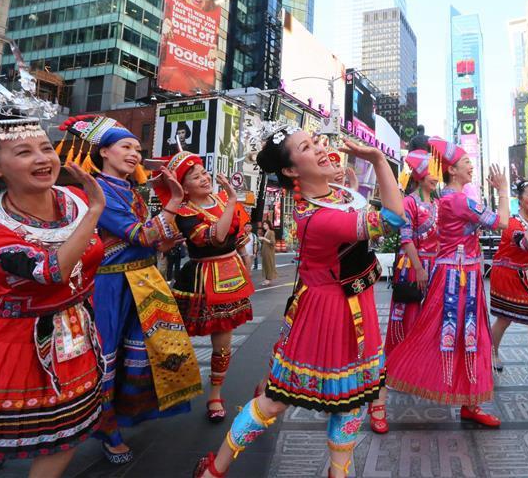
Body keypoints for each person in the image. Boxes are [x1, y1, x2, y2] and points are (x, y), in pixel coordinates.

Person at [192, 125, 405, 478]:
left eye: (316, 141)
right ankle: (214, 470)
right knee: (276, 400)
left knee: (351, 402)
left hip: (353, 306)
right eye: (307, 147)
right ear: (291, 170)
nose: (320, 148)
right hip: (329, 315)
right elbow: (394, 219)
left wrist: (349, 183)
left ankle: (337, 473)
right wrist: (379, 160)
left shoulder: (331, 199)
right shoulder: (320, 218)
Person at [57, 115, 202, 464]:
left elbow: (148, 240)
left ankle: (122, 415)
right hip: (111, 285)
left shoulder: (132, 192)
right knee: (106, 357)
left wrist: (163, 243)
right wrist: (174, 201)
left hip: (142, 281)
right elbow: (141, 234)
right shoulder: (98, 190)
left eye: (137, 148)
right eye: (126, 146)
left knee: (141, 353)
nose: (135, 154)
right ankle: (107, 430)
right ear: (104, 151)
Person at [0, 113, 106, 478]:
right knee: (16, 420)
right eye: (24, 152)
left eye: (46, 148)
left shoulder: (75, 199)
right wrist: (96, 211)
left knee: (68, 427)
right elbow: (51, 273)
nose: (43, 158)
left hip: (75, 326)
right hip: (16, 338)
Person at [387, 137, 510, 427]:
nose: (471, 166)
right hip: (458, 278)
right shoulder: (458, 200)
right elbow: (502, 222)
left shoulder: (446, 199)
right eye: (466, 162)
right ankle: (389, 374)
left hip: (459, 273)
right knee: (454, 335)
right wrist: (504, 190)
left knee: (466, 336)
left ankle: (470, 401)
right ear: (452, 170)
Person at [157, 151, 254, 424]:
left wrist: (244, 258)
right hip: (198, 280)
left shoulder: (221, 199)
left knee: (223, 342)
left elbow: (238, 235)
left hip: (230, 275)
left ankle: (215, 394)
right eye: (195, 177)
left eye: (203, 173)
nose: (204, 178)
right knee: (177, 340)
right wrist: (232, 201)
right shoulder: (185, 212)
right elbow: (217, 236)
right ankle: (169, 387)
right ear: (183, 187)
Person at [368, 149, 440, 433]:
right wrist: (419, 267)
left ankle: (419, 369)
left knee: (428, 320)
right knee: (406, 320)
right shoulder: (409, 202)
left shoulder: (438, 203)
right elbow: (406, 238)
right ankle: (395, 371)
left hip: (435, 267)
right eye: (431, 173)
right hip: (412, 266)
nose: (435, 178)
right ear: (420, 176)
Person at [490, 180, 528, 380]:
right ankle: (492, 353)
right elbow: (527, 244)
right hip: (507, 275)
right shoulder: (512, 223)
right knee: (504, 318)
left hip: (527, 276)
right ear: (520, 200)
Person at [258, 219, 278, 287]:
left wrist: (263, 238)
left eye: (265, 224)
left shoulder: (271, 232)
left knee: (269, 264)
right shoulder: (266, 232)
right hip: (264, 251)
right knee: (265, 265)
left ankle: (268, 279)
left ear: (269, 225)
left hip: (269, 251)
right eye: (263, 224)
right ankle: (267, 278)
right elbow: (265, 242)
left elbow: (272, 242)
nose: (264, 226)